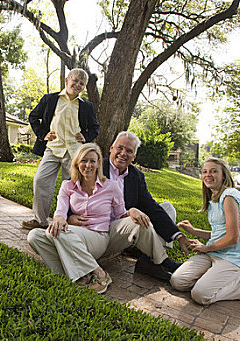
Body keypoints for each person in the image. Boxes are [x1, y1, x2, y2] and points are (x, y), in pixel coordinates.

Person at [68, 131, 190, 281]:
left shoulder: (136, 176)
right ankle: (163, 262)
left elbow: (152, 208)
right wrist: (69, 217)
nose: (123, 153)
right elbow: (70, 194)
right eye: (120, 148)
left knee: (167, 208)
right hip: (98, 233)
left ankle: (148, 260)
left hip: (121, 229)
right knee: (135, 221)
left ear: (134, 156)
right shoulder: (93, 166)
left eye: (129, 151)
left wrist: (179, 236)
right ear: (111, 148)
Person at [28, 143, 131, 294]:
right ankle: (75, 276)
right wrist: (59, 218)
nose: (88, 165)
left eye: (92, 161)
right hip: (72, 237)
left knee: (57, 232)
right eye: (84, 160)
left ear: (98, 164)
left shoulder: (111, 186)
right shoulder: (67, 186)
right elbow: (60, 211)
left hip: (98, 237)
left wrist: (133, 212)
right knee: (34, 236)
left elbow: (121, 214)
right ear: (77, 163)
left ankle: (100, 274)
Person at [170, 157, 240, 305]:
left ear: (223, 175)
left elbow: (232, 238)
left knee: (200, 295)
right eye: (205, 171)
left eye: (214, 171)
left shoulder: (229, 196)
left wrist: (206, 247)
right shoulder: (214, 199)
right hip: (214, 253)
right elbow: (219, 233)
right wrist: (194, 231)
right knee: (178, 281)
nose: (208, 175)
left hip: (232, 257)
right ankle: (211, 278)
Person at [21, 68, 99, 230]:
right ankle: (40, 220)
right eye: (75, 80)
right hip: (52, 148)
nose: (77, 85)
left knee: (73, 187)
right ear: (67, 80)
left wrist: (86, 136)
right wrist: (43, 134)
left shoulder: (86, 106)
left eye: (81, 83)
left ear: (84, 87)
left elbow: (94, 127)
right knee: (41, 180)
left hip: (74, 152)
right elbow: (33, 116)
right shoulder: (50, 99)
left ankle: (69, 221)